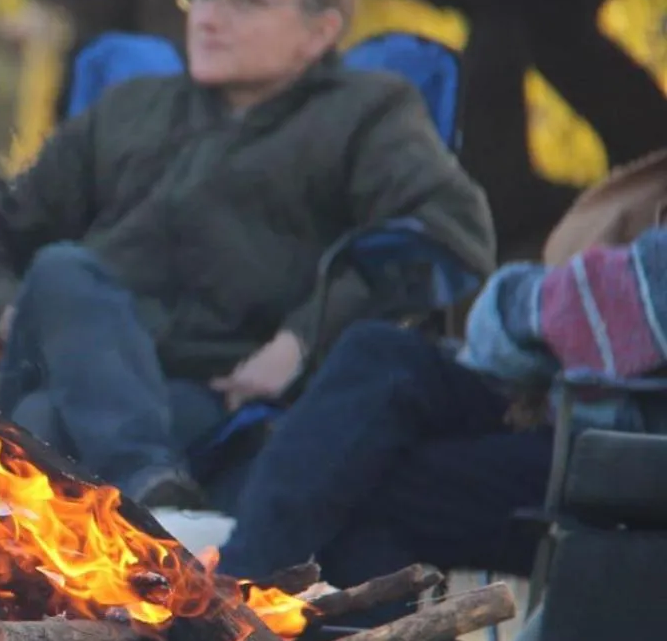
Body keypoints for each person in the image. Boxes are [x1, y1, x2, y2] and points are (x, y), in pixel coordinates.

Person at [0, 0, 494, 509]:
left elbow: (448, 235)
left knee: (44, 421)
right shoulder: (131, 108)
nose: (209, 18)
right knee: (63, 273)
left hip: (210, 392)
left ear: (319, 32)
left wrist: (302, 341)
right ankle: (151, 492)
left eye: (243, 0)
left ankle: (112, 528)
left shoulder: (365, 115)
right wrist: (8, 310)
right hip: (69, 362)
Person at [218, 150, 667, 596]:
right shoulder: (170, 111)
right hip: (585, 408)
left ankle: (238, 612)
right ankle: (239, 596)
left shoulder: (373, 105)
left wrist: (510, 308)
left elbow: (576, 309)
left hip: (628, 453)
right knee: (380, 354)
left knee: (373, 482)